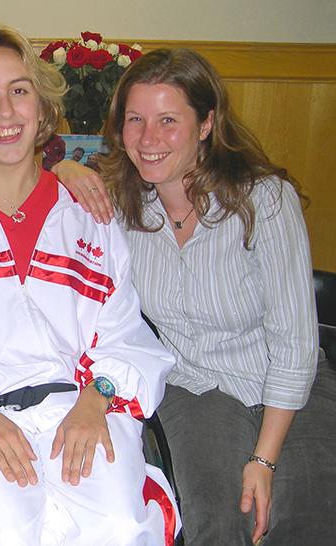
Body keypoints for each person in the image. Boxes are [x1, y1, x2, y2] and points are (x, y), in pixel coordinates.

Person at [0, 24, 180, 546]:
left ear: (42, 110)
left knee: (118, 526)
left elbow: (124, 332)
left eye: (19, 91)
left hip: (83, 405)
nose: (4, 110)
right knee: (12, 530)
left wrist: (97, 398)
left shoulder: (91, 216)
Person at [50, 48, 336, 545]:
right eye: (135, 120)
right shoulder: (119, 204)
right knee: (220, 521)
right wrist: (60, 169)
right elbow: (12, 184)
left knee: (307, 520)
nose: (148, 139)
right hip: (193, 385)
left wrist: (263, 459)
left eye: (168, 120)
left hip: (287, 381)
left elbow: (293, 344)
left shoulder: (263, 201)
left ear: (206, 124)